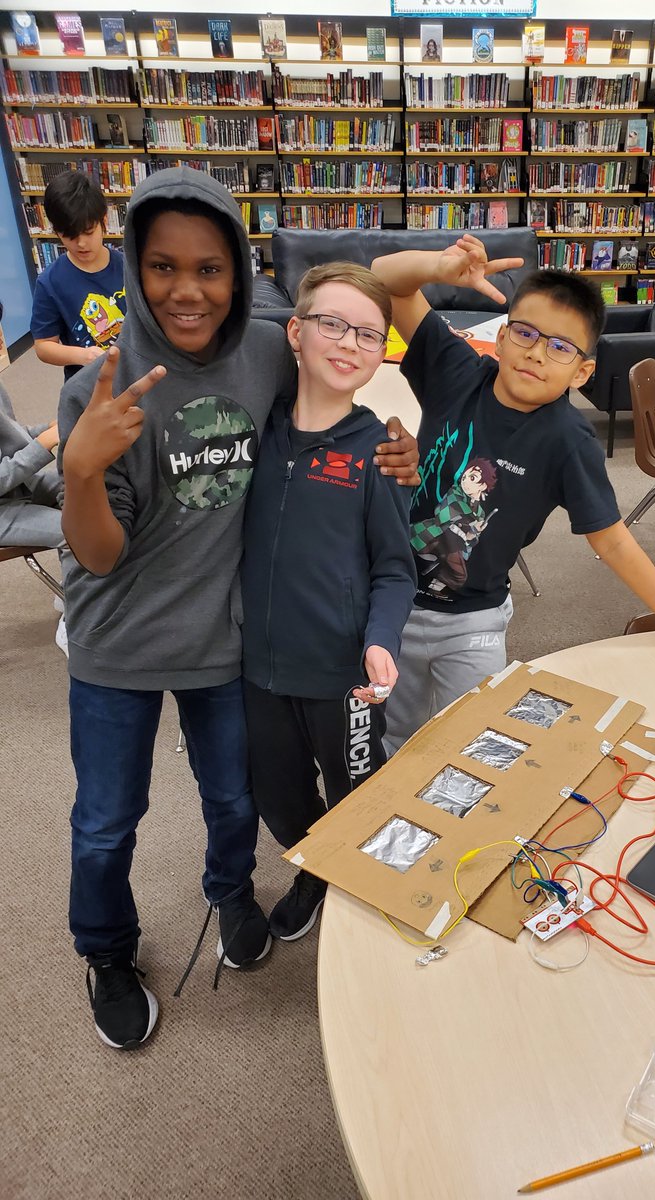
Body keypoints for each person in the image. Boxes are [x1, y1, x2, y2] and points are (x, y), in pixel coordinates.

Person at [56, 168, 417, 1051]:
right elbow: (99, 557)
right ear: (133, 266)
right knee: (105, 822)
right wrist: (78, 468)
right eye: (163, 266)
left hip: (226, 644)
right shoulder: (99, 384)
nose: (188, 290)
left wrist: (397, 449)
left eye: (211, 268)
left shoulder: (263, 352)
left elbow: (345, 368)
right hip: (118, 648)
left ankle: (230, 893)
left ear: (241, 274)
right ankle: (106, 951)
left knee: (233, 800)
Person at [371, 234, 655, 754]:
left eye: (559, 346)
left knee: (468, 743)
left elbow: (615, 542)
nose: (536, 353)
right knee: (396, 737)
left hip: (473, 620)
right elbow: (384, 278)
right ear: (501, 336)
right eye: (525, 333)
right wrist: (438, 268)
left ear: (582, 372)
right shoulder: (458, 370)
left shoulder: (568, 441)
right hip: (391, 603)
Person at [240, 263, 417, 942]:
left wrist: (381, 640)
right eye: (332, 324)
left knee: (358, 795)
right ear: (295, 330)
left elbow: (396, 570)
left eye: (369, 335)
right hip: (258, 670)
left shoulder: (379, 452)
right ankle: (315, 869)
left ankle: (353, 892)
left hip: (343, 676)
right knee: (277, 796)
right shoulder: (256, 431)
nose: (348, 343)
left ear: (381, 354)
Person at [31, 171, 127, 380]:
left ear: (103, 221)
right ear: (56, 231)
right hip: (87, 384)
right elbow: (44, 346)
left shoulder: (128, 266)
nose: (81, 243)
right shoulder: (50, 283)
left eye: (89, 232)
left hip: (134, 375)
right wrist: (84, 355)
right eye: (70, 236)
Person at [0, 369, 66, 652]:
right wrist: (43, 444)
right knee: (78, 532)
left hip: (19, 486)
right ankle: (76, 624)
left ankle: (76, 588)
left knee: (88, 490)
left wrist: (47, 428)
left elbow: (11, 436)